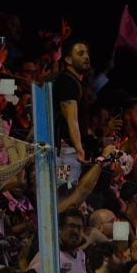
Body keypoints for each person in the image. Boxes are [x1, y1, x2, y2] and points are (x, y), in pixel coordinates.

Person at [53, 37, 92, 185]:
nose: (86, 57)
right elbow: (71, 119)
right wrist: (79, 149)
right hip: (65, 152)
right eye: (80, 54)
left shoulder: (75, 82)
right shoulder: (67, 82)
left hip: (68, 150)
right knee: (63, 188)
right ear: (68, 59)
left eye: (87, 53)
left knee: (67, 188)